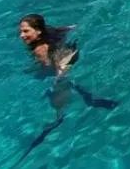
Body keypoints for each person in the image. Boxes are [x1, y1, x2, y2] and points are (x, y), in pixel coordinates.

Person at [15, 16, 116, 165]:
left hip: (65, 61)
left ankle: (64, 116)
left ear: (38, 31)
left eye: (25, 31)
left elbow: (54, 65)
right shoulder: (47, 30)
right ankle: (88, 98)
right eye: (20, 32)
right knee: (60, 81)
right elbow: (67, 28)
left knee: (59, 109)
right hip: (70, 52)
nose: (21, 35)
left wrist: (56, 79)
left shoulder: (40, 49)